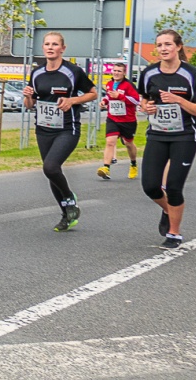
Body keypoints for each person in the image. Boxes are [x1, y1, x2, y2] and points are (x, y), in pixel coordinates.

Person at [138, 29, 196, 249]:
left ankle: (174, 233)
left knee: (173, 187)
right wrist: (147, 107)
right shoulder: (149, 73)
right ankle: (169, 210)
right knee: (150, 186)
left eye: (168, 44)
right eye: (159, 45)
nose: (163, 49)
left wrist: (178, 101)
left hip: (185, 136)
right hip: (157, 135)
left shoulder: (191, 74)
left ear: (178, 47)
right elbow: (143, 101)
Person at [22, 32, 97, 231]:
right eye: (47, 44)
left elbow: (93, 93)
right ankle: (67, 214)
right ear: (43, 48)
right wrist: (28, 96)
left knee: (51, 167)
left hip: (67, 128)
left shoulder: (72, 71)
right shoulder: (37, 73)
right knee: (52, 173)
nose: (50, 47)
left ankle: (69, 199)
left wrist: (72, 100)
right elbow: (31, 104)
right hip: (43, 129)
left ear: (62, 48)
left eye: (55, 44)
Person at [96, 60, 140, 180]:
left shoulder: (129, 85)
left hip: (127, 120)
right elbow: (108, 96)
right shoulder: (109, 83)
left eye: (119, 71)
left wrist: (121, 96)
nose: (116, 73)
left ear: (124, 73)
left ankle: (133, 164)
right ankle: (106, 168)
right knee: (110, 142)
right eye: (114, 70)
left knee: (128, 143)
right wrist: (104, 101)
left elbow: (137, 101)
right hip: (112, 118)